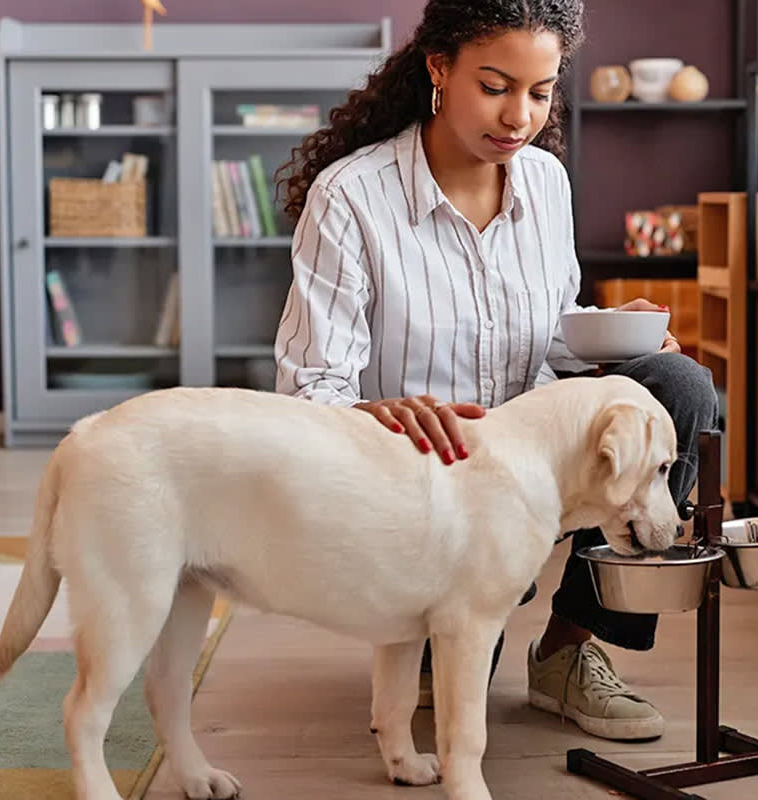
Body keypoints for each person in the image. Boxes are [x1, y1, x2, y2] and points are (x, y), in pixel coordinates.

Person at [273, 0, 718, 742]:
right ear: (439, 68)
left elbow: (546, 335)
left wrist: (619, 335)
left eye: (540, 93)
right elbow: (309, 392)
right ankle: (442, 622)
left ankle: (568, 652)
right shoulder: (351, 197)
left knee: (678, 387)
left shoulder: (544, 181)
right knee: (453, 671)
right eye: (495, 85)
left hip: (530, 475)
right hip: (425, 492)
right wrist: (379, 414)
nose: (519, 116)